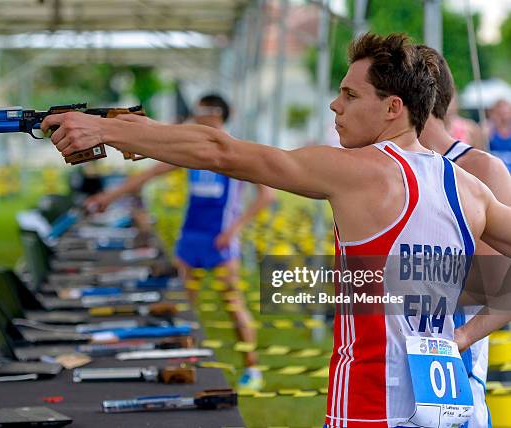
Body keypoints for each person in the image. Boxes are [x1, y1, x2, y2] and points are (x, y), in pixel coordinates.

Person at [43, 33, 511, 427]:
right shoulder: (468, 189)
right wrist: (463, 337)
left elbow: (221, 151)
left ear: (392, 108)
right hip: (447, 407)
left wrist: (104, 129)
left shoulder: (361, 171)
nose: (335, 104)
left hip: (371, 406)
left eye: (349, 95)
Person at [84, 94, 275, 392]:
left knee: (232, 305)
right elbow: (149, 173)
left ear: (217, 115)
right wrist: (109, 197)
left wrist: (234, 229)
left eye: (202, 112)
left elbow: (267, 195)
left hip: (220, 241)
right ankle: (185, 362)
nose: (196, 117)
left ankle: (252, 368)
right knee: (182, 307)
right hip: (190, 240)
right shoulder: (193, 152)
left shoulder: (237, 151)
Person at [418, 45, 511, 428]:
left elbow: (493, 284)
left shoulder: (478, 167)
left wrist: (459, 337)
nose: (337, 107)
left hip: (448, 358)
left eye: (353, 95)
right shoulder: (380, 166)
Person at [488, 99, 511, 171]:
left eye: (506, 113)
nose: (504, 117)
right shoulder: (488, 131)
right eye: (500, 113)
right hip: (496, 171)